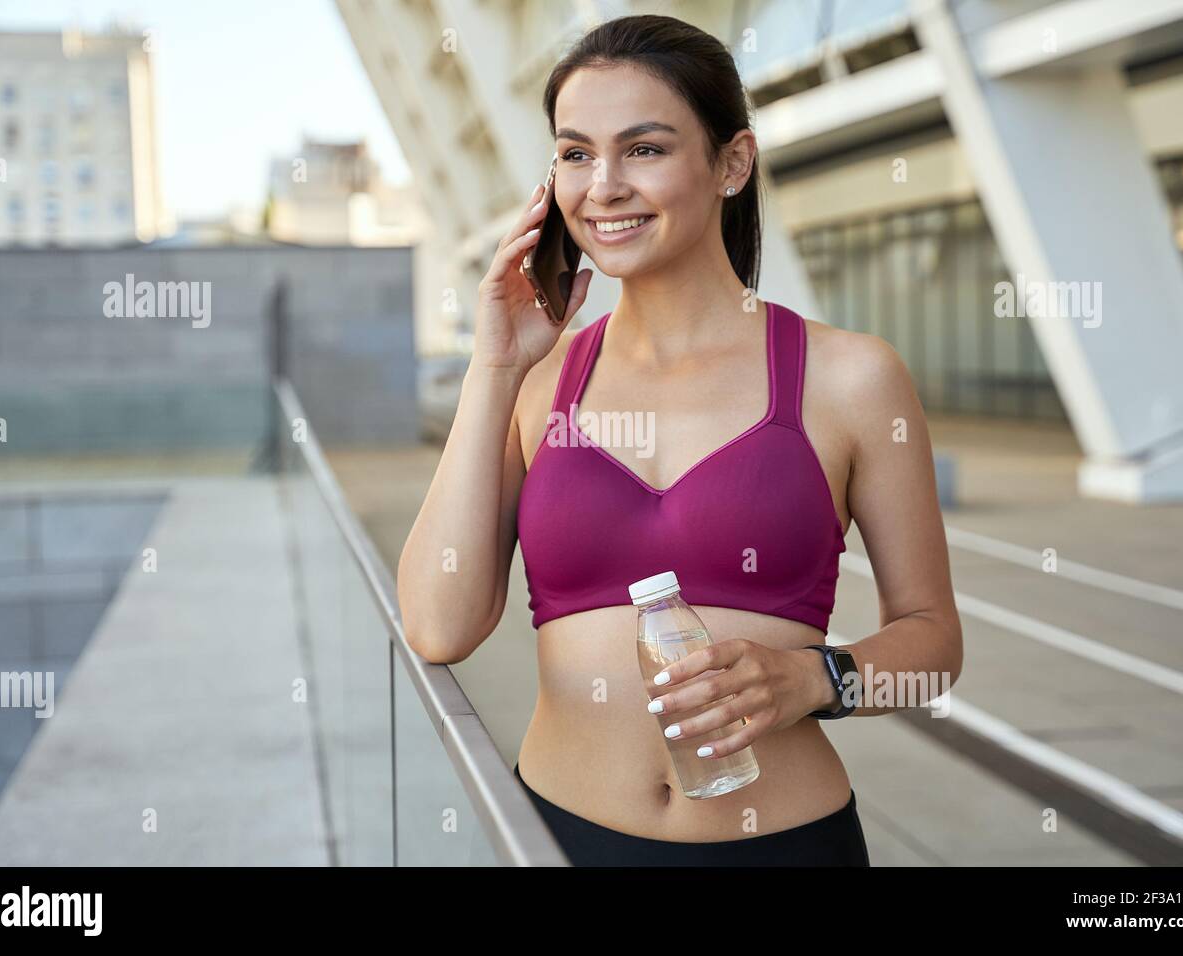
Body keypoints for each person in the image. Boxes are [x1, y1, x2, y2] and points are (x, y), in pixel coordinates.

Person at [397, 13, 963, 866]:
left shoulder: (849, 379)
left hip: (780, 846)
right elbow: (439, 627)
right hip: (558, 836)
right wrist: (493, 368)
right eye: (577, 153)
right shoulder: (537, 382)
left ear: (732, 163)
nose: (603, 186)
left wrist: (818, 678)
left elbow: (932, 641)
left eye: (646, 149)